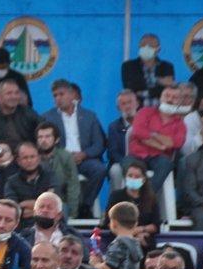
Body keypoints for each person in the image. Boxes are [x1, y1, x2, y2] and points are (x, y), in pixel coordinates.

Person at [41, 79, 107, 216]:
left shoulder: (89, 116)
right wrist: (65, 155)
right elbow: (44, 144)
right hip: (60, 160)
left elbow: (99, 144)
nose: (58, 98)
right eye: (55, 95)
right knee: (53, 174)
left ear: (72, 95)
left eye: (61, 94)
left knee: (100, 170)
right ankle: (59, 211)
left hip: (84, 159)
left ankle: (85, 206)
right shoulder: (47, 117)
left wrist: (84, 154)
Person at [127, 86, 186, 196]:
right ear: (161, 98)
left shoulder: (180, 124)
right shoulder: (145, 112)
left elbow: (176, 143)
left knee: (166, 165)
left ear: (180, 101)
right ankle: (129, 198)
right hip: (137, 155)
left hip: (160, 159)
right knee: (128, 165)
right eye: (167, 96)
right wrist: (160, 142)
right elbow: (138, 132)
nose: (170, 99)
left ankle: (144, 198)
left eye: (174, 97)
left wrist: (147, 137)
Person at [101, 161, 161, 251]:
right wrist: (131, 235)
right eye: (130, 175)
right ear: (125, 177)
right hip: (120, 241)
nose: (133, 178)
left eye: (137, 177)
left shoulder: (150, 198)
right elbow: (109, 222)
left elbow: (156, 225)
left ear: (143, 179)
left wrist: (140, 230)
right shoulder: (116, 196)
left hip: (145, 241)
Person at [0, 78, 40, 157]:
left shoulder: (28, 112)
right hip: (0, 161)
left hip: (27, 158)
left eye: (16, 93)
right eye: (9, 93)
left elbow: (44, 129)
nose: (14, 97)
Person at [2, 142, 56, 219]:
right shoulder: (11, 182)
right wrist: (42, 207)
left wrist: (23, 204)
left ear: (38, 158)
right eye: (25, 157)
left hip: (49, 225)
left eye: (32, 156)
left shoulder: (50, 176)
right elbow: (13, 210)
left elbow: (53, 203)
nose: (29, 160)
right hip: (23, 227)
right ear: (18, 161)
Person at [34, 122, 78, 214]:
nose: (43, 140)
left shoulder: (66, 156)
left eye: (47, 136)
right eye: (40, 137)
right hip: (35, 202)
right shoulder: (31, 157)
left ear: (57, 139)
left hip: (60, 201)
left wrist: (72, 211)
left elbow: (73, 184)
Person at [121, 33, 175, 109]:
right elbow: (131, 88)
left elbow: (167, 91)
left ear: (158, 49)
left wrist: (143, 91)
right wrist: (159, 81)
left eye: (150, 45)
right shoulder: (128, 66)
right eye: (143, 45)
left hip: (161, 112)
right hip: (137, 112)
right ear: (139, 47)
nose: (146, 47)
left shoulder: (167, 66)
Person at [106, 89, 139, 190]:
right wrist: (128, 164)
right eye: (123, 104)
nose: (128, 106)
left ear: (137, 104)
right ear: (118, 108)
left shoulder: (146, 123)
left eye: (130, 102)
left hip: (143, 163)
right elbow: (113, 153)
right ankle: (118, 203)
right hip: (122, 163)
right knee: (115, 170)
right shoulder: (113, 127)